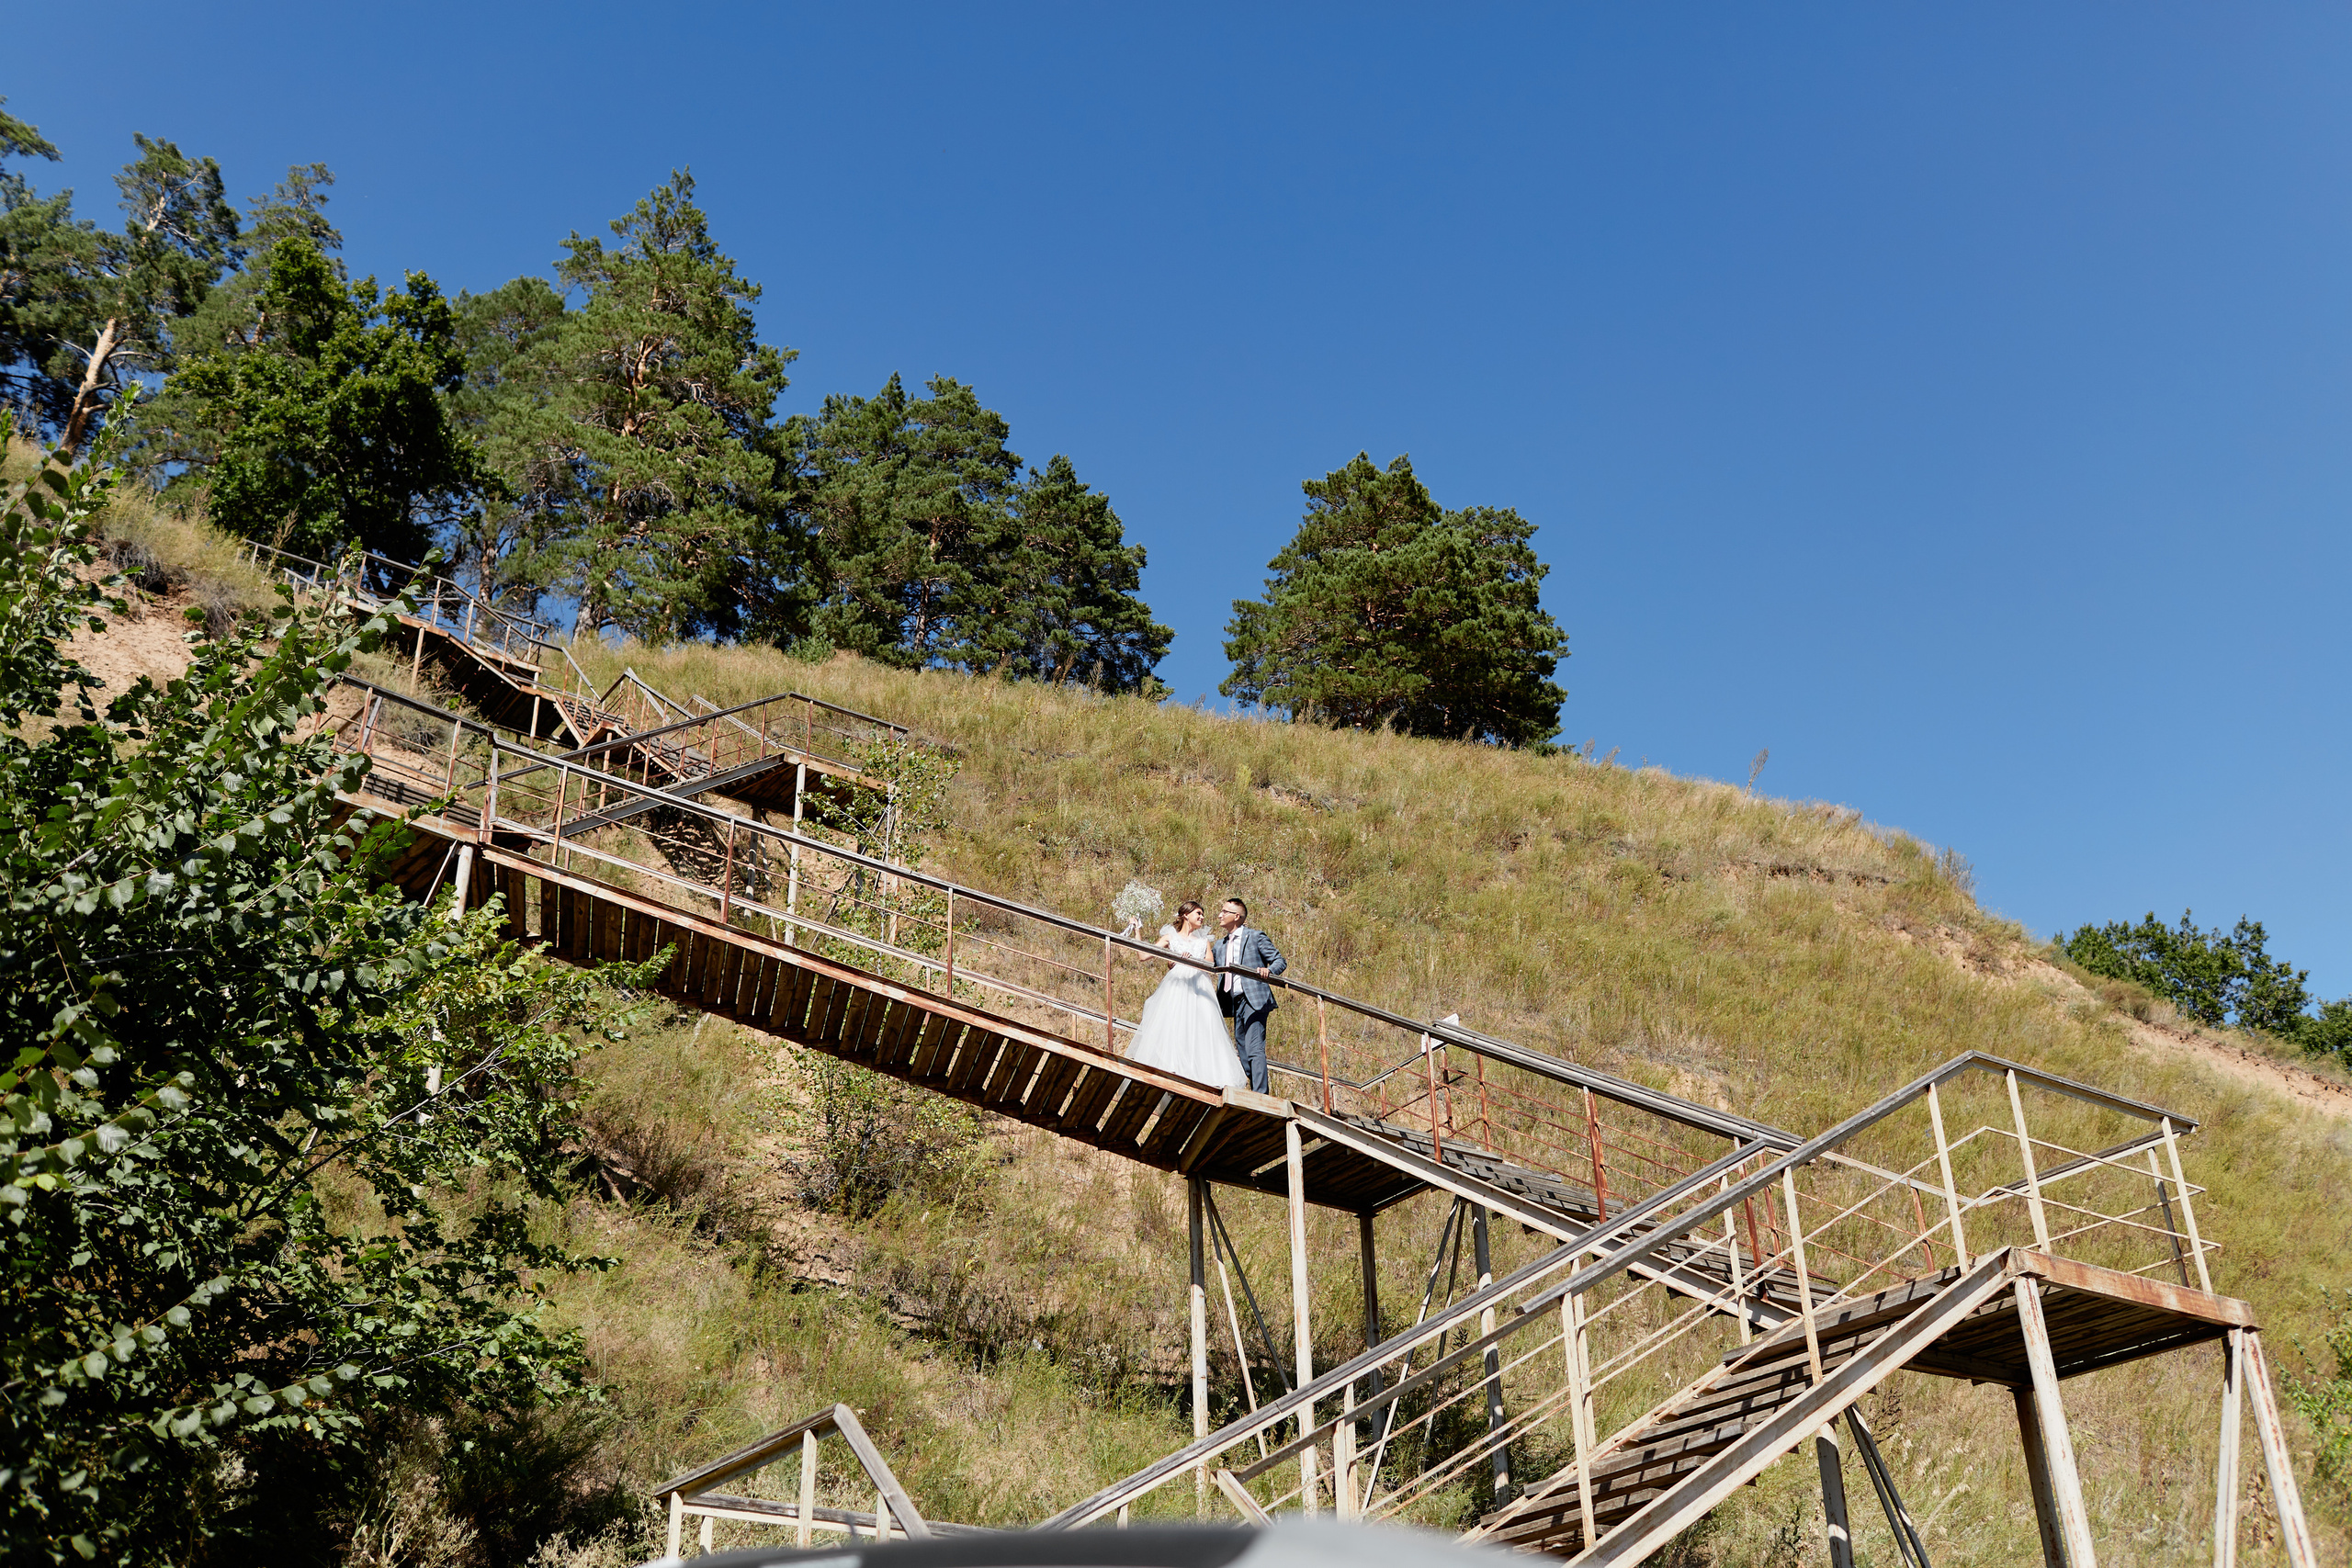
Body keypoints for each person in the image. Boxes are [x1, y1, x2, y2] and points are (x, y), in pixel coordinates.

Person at [1125, 900, 1246, 1089]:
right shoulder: (1170, 938)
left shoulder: (1203, 941)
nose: (1202, 917)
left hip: (1199, 987)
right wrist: (1137, 931)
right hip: (1177, 986)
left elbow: (1210, 964)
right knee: (1174, 1025)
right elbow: (1143, 956)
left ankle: (1199, 1075)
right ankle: (1172, 1070)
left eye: (1202, 914)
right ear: (1185, 915)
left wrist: (1193, 960)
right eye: (1198, 913)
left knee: (1201, 1030)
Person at [1215, 897, 1284, 1095]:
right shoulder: (1220, 944)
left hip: (1254, 998)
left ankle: (1260, 1094)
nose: (1220, 915)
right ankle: (1256, 1088)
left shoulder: (1254, 937)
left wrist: (1269, 971)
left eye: (1224, 912)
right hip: (1234, 1002)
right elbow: (1209, 962)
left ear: (1236, 916)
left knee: (1254, 1047)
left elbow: (1279, 960)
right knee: (1243, 1051)